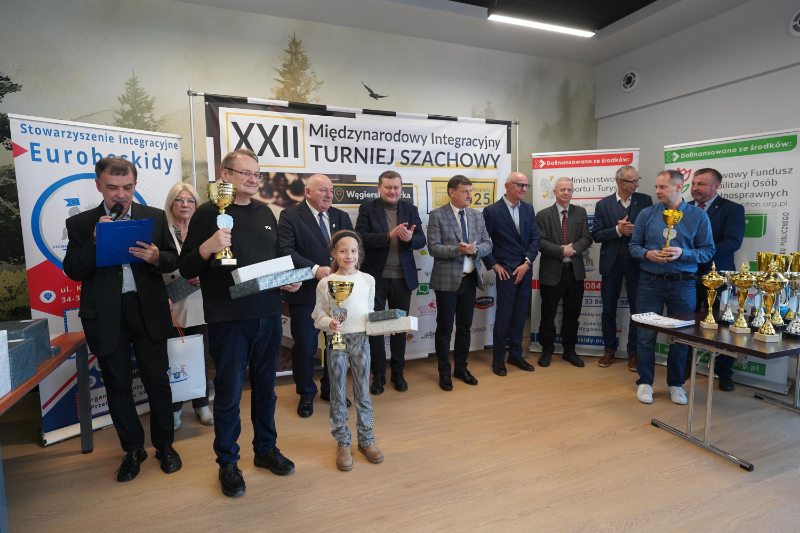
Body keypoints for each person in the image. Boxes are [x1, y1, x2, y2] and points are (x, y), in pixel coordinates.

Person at [179, 148, 301, 498]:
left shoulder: (265, 212)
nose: (252, 179)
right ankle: (228, 462)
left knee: (266, 389)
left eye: (257, 174)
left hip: (268, 315)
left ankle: (265, 449)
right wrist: (208, 247)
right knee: (230, 393)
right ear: (225, 175)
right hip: (229, 319)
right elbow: (187, 268)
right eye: (245, 173)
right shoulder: (208, 212)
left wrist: (287, 279)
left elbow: (273, 260)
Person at [63, 157, 182, 482]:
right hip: (105, 314)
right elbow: (73, 270)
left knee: (157, 381)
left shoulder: (154, 217)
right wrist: (95, 239)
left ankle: (165, 446)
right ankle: (132, 449)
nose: (121, 194)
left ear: (134, 185)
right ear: (99, 186)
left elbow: (173, 259)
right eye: (113, 188)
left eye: (127, 187)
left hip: (148, 310)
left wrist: (157, 257)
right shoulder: (81, 223)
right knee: (117, 385)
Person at [629, 169, 714, 405]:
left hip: (683, 284)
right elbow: (633, 246)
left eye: (662, 187)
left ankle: (676, 384)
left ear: (679, 187)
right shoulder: (647, 214)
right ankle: (645, 382)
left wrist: (683, 253)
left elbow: (708, 251)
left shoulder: (698, 216)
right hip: (650, 281)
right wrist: (647, 254)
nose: (657, 191)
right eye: (656, 186)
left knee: (681, 337)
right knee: (645, 335)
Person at [278, 174, 354, 417]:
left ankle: (331, 389)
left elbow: (352, 248)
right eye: (323, 190)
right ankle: (306, 394)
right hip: (306, 294)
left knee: (335, 345)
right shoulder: (290, 215)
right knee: (305, 347)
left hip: (338, 295)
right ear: (308, 192)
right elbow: (285, 250)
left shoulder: (341, 216)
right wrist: (314, 270)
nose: (329, 195)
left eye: (331, 190)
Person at [312, 230, 383, 471]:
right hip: (336, 342)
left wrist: (387, 326)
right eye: (343, 251)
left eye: (353, 251)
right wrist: (329, 323)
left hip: (361, 340)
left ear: (359, 253)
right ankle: (342, 441)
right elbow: (318, 314)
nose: (349, 255)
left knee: (363, 392)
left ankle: (366, 439)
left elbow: (370, 312)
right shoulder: (326, 283)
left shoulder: (367, 280)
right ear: (334, 253)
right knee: (338, 393)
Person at [355, 170, 426, 394]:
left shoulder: (410, 209)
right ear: (379, 188)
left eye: (396, 187)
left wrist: (410, 239)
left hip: (403, 279)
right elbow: (360, 238)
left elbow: (422, 240)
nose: (392, 191)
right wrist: (389, 235)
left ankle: (398, 372)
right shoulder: (368, 208)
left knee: (399, 328)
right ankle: (378, 375)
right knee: (376, 328)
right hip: (375, 279)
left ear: (401, 188)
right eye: (388, 187)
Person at [427, 175, 492, 391]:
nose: (469, 195)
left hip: (470, 280)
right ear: (451, 192)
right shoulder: (437, 215)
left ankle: (461, 368)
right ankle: (444, 372)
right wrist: (459, 250)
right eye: (465, 191)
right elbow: (433, 248)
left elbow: (488, 243)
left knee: (464, 328)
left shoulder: (476, 215)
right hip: (446, 282)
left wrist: (475, 250)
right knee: (445, 329)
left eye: (470, 191)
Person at [163, 182, 214, 430]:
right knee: (173, 358)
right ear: (171, 204)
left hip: (200, 302)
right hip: (171, 302)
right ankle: (174, 409)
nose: (185, 204)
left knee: (200, 356)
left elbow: (216, 263)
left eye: (190, 200)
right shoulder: (162, 232)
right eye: (179, 199)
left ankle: (201, 404)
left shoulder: (205, 232)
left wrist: (205, 276)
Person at [591, 165, 653, 371]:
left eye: (637, 180)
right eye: (632, 181)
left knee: (637, 311)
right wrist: (618, 230)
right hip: (612, 263)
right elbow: (596, 235)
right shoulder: (603, 205)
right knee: (608, 310)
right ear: (619, 182)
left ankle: (633, 352)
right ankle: (609, 349)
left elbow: (653, 230)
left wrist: (635, 232)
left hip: (637, 264)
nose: (636, 184)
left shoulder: (645, 201)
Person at [689, 168, 745, 391]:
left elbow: (733, 241)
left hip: (718, 276)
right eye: (693, 183)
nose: (695, 188)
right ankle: (685, 366)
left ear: (716, 186)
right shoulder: (683, 208)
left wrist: (697, 254)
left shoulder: (732, 209)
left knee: (723, 326)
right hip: (686, 275)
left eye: (701, 184)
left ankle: (724, 373)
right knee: (687, 323)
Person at [481, 172, 540, 376]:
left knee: (520, 315)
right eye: (520, 185)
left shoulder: (528, 209)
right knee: (504, 316)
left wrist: (527, 263)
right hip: (506, 272)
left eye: (526, 185)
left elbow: (535, 240)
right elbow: (484, 242)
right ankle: (498, 359)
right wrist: (494, 265)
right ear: (507, 186)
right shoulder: (491, 211)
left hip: (525, 270)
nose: (524, 189)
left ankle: (515, 355)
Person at [536, 177, 592, 368]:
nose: (566, 192)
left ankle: (570, 351)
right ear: (555, 192)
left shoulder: (580, 212)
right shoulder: (543, 215)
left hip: (575, 273)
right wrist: (561, 251)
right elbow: (540, 242)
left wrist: (573, 249)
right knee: (548, 314)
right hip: (551, 273)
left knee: (572, 314)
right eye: (562, 189)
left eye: (569, 189)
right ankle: (547, 350)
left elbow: (587, 238)